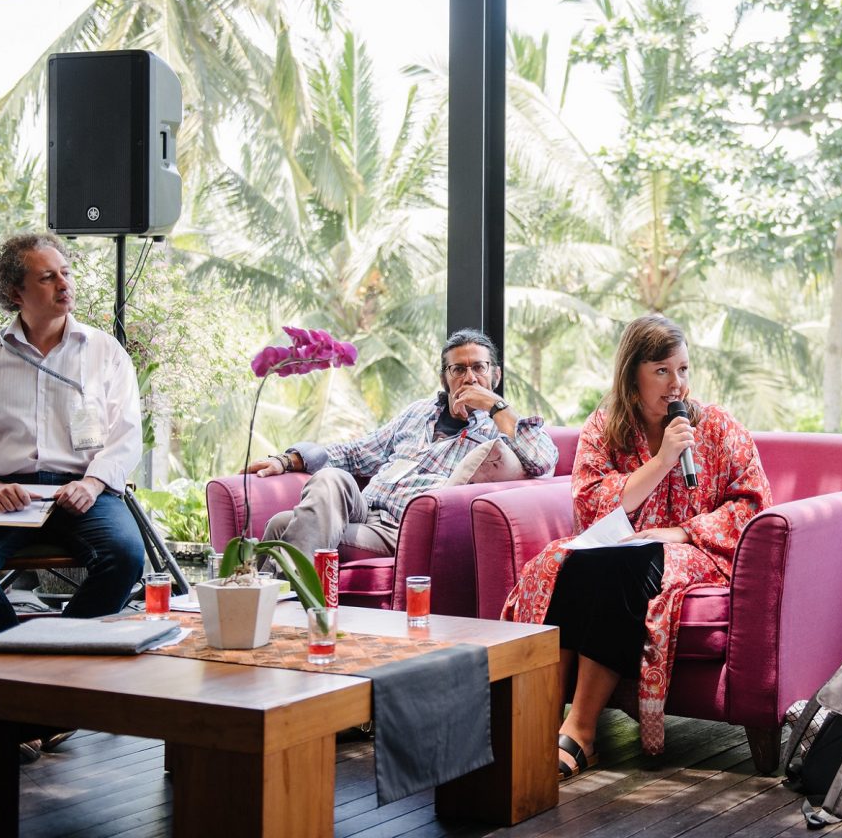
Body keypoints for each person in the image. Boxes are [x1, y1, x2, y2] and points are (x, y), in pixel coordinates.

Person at [502, 314, 772, 777]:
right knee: (561, 563)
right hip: (621, 546)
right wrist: (663, 459)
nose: (677, 384)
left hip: (698, 550)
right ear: (633, 376)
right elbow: (591, 506)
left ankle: (582, 731)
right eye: (662, 371)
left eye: (683, 369)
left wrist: (681, 532)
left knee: (623, 564)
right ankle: (539, 721)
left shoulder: (717, 427)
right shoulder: (605, 427)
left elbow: (752, 507)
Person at [0, 232, 145, 649]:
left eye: (65, 273)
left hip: (83, 492)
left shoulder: (105, 352)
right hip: (5, 494)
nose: (64, 284)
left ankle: (59, 647)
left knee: (124, 556)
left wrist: (92, 483)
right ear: (16, 292)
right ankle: (12, 651)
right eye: (48, 277)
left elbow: (126, 434)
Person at [245, 328, 557, 558]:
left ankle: (268, 609)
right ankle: (277, 608)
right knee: (330, 478)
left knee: (281, 525)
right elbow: (356, 453)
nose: (470, 377)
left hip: (400, 530)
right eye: (458, 369)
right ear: (444, 378)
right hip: (363, 511)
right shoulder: (418, 412)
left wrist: (496, 407)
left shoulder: (500, 428)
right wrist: (288, 460)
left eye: (479, 367)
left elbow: (543, 461)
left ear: (496, 375)